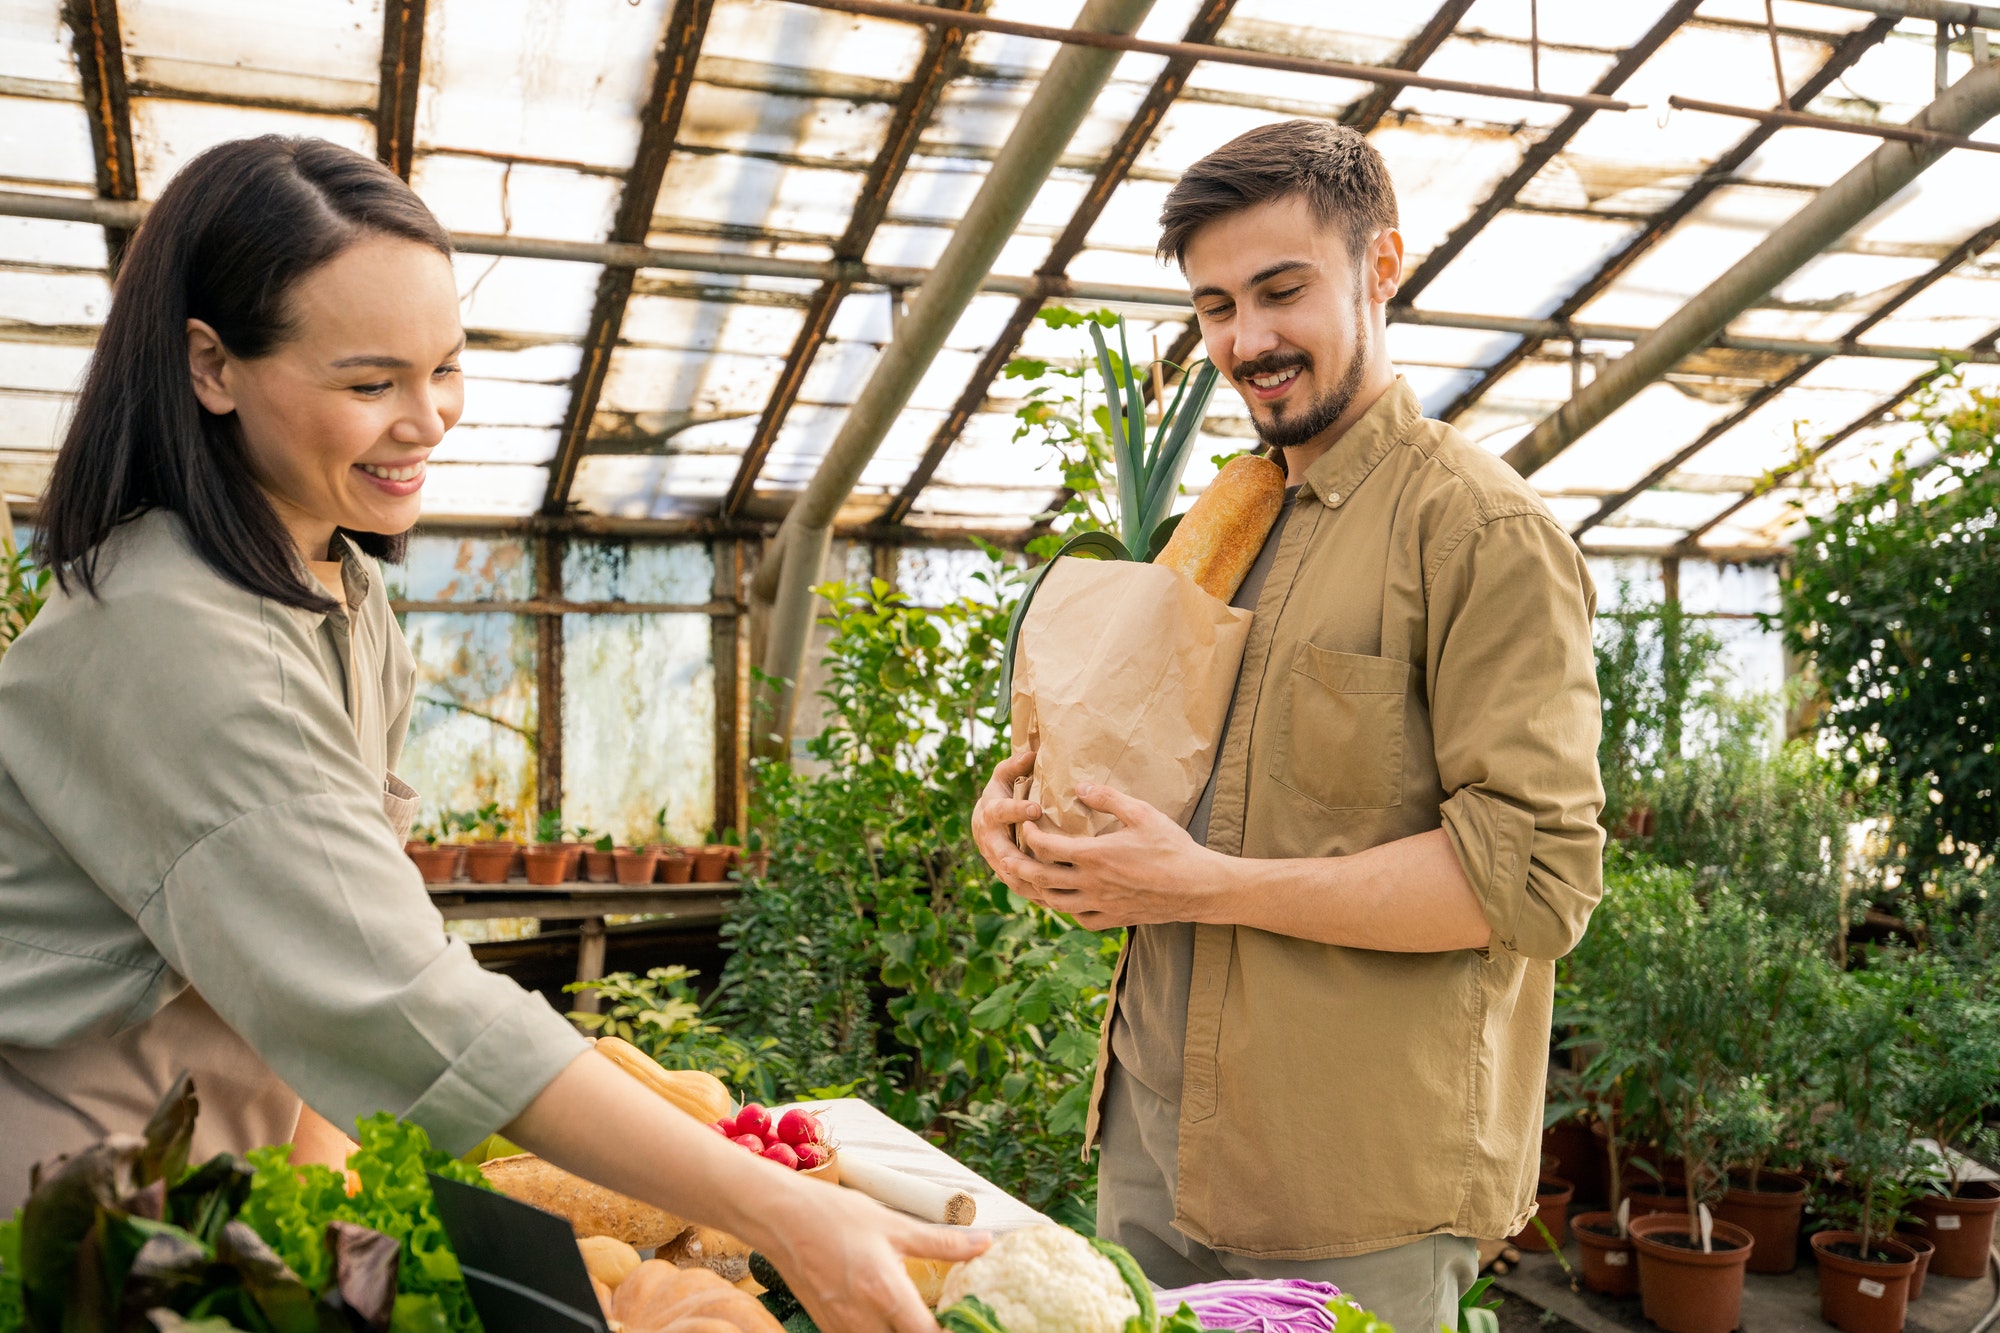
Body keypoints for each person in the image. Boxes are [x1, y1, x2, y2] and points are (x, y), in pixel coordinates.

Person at [0, 136, 985, 1333]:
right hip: (66, 1208)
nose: (428, 421)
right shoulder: (171, 635)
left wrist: (324, 1215)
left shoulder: (338, 596)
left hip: (216, 1202)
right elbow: (399, 997)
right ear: (211, 364)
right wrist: (784, 1210)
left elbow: (333, 964)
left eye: (446, 369)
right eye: (371, 384)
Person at [971, 120, 1605, 1331]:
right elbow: (1159, 788)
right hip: (1154, 1143)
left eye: (1278, 291)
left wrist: (1203, 882)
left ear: (1379, 267)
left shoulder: (1479, 533)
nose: (1244, 342)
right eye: (1213, 306)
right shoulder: (1227, 519)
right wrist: (1033, 822)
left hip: (1344, 1186)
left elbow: (1531, 882)